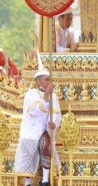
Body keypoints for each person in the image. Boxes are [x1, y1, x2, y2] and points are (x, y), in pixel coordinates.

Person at [15, 51, 62, 186]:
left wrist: (55, 123)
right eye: (46, 80)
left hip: (44, 130)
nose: (48, 82)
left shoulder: (53, 96)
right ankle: (27, 182)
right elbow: (37, 110)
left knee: (46, 145)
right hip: (31, 131)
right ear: (38, 81)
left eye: (49, 80)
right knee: (29, 150)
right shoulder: (30, 95)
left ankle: (45, 180)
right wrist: (47, 94)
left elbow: (57, 114)